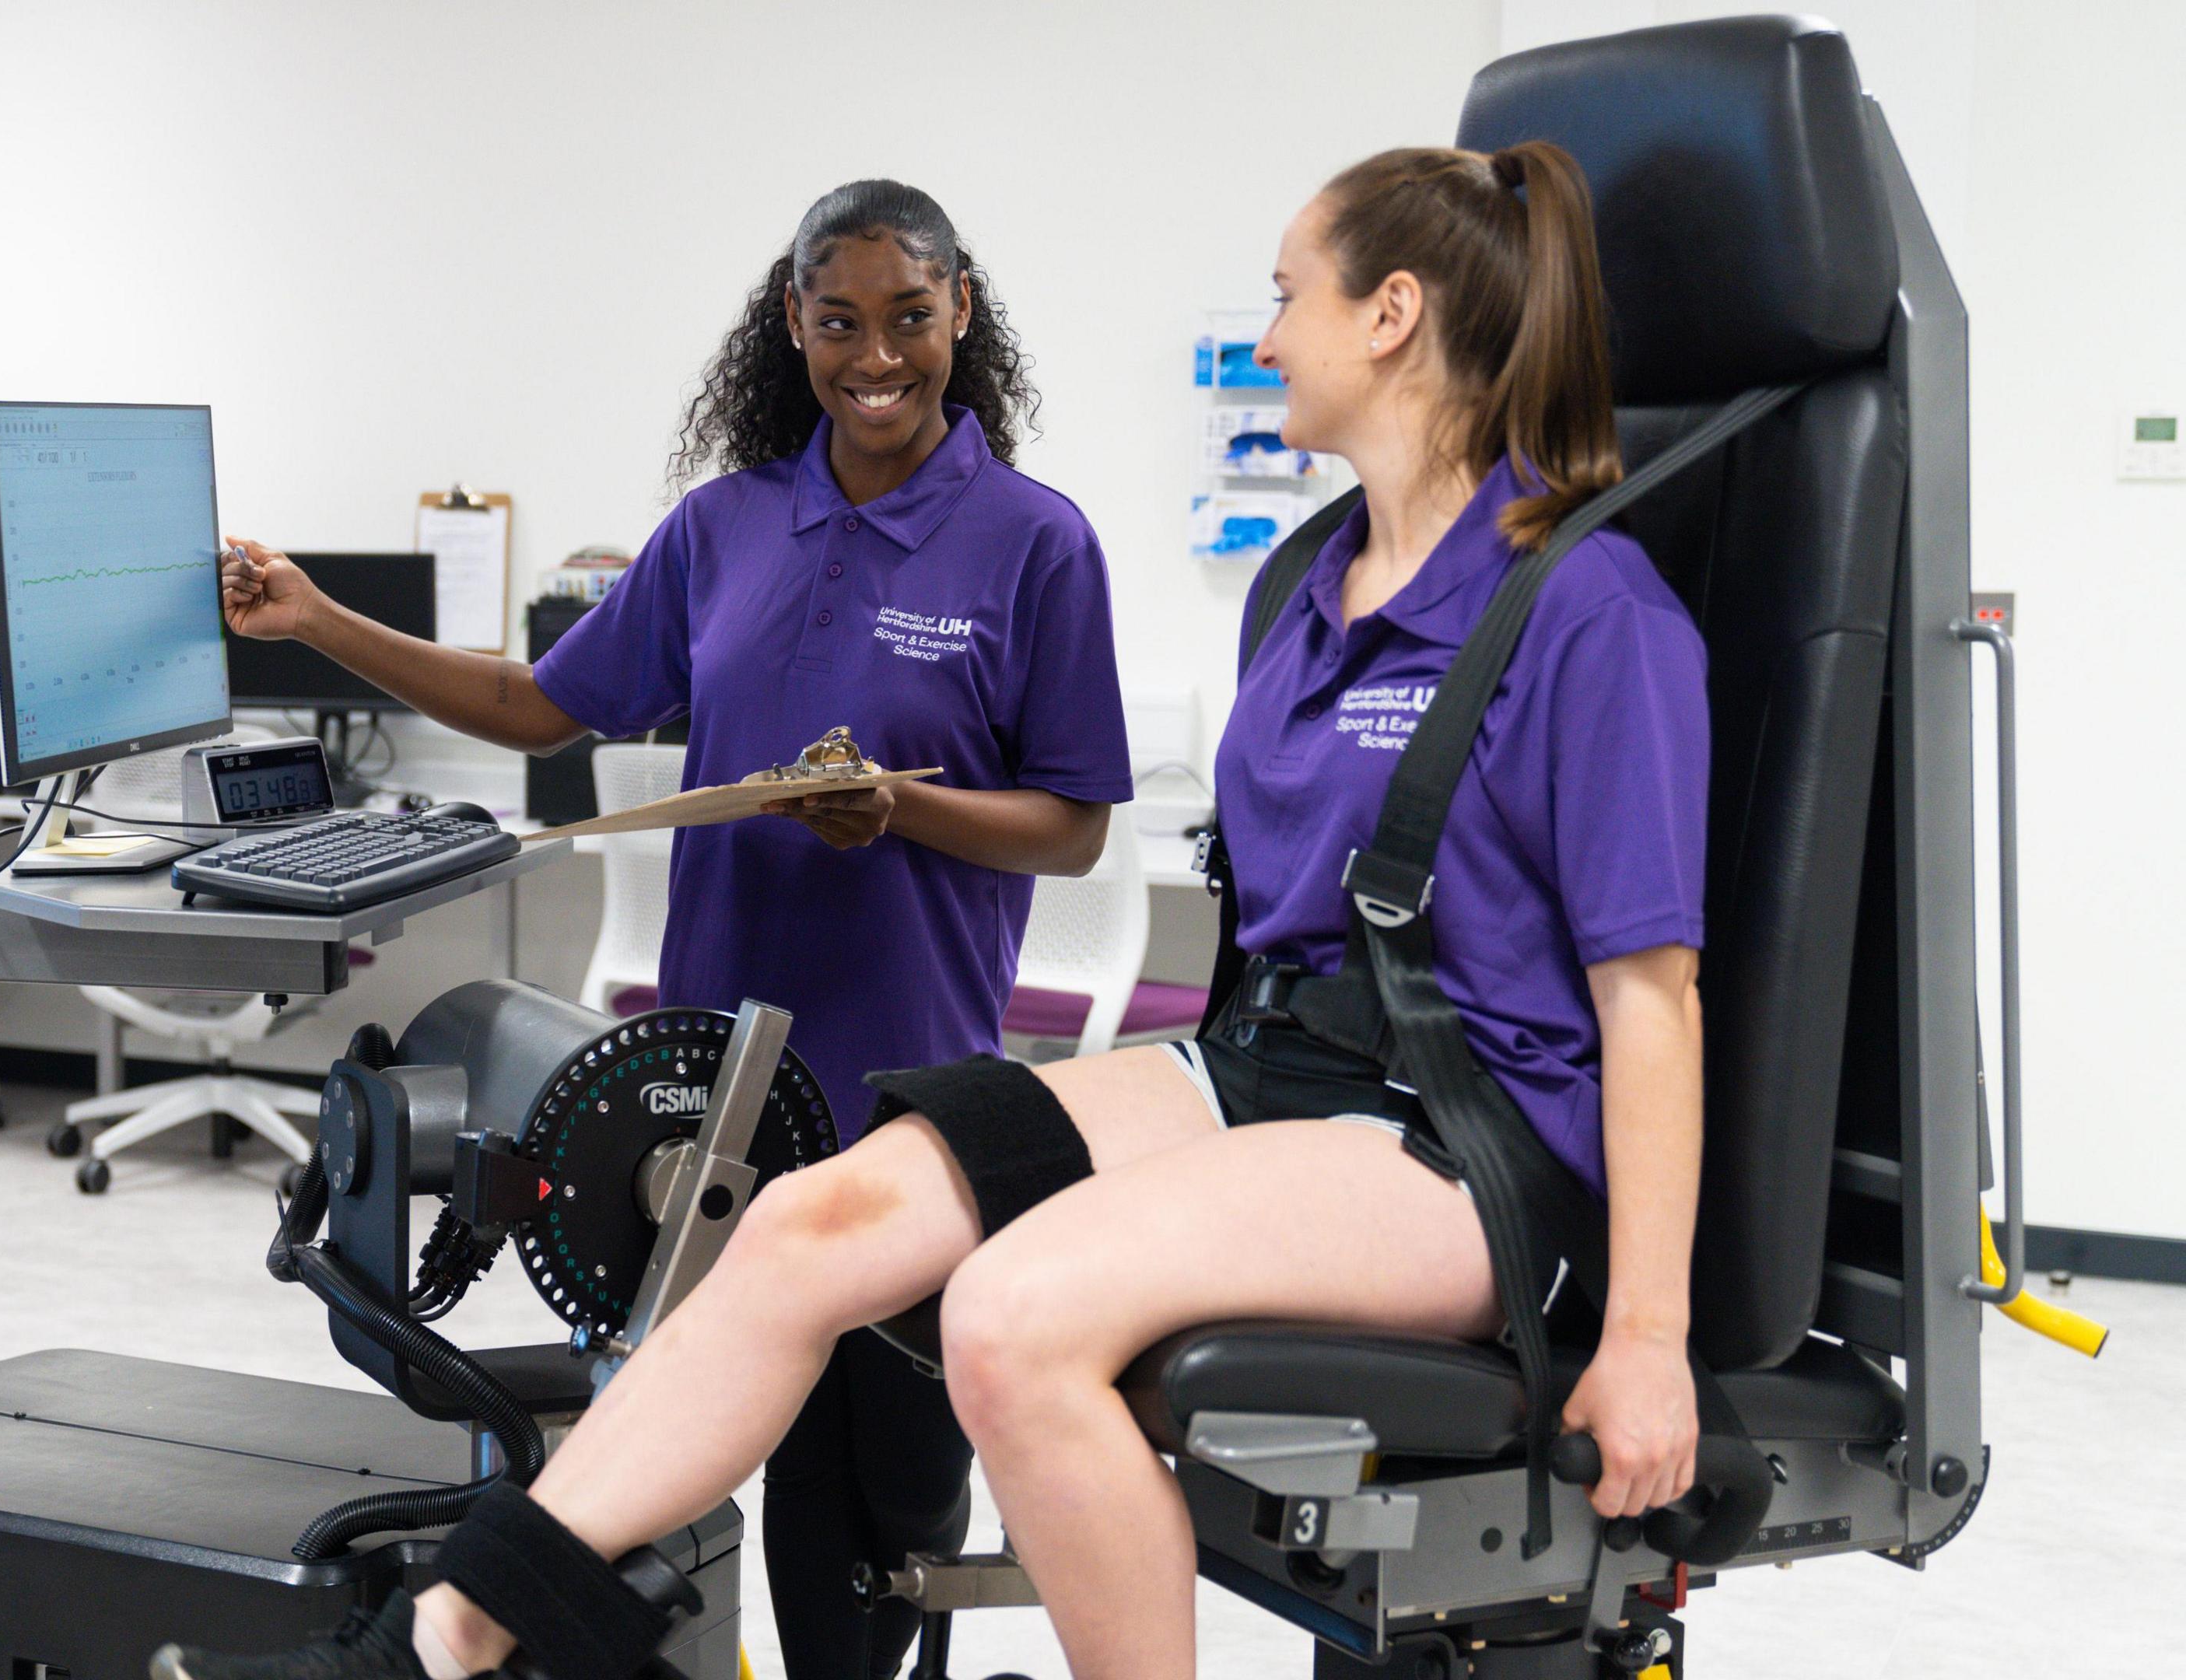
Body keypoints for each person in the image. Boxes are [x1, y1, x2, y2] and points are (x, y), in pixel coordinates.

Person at [163, 139, 1703, 1680]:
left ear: (1393, 317)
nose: (1271, 333)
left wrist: (1644, 1339)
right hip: (1259, 1070)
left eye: (1289, 296)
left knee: (1010, 1314)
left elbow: (1651, 997)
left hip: (1454, 1131)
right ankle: (444, 1638)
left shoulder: (1587, 608)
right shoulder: (1312, 579)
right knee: (809, 1222)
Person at [211, 179, 1133, 1680]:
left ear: (963, 309)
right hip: (704, 1115)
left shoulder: (1036, 544)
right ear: (794, 322)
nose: (878, 356)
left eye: (912, 317)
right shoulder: (724, 529)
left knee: (865, 1535)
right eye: (841, 322)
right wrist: (315, 618)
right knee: (651, 1485)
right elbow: (535, 708)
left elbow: (1074, 822)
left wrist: (901, 811)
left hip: (906, 1108)